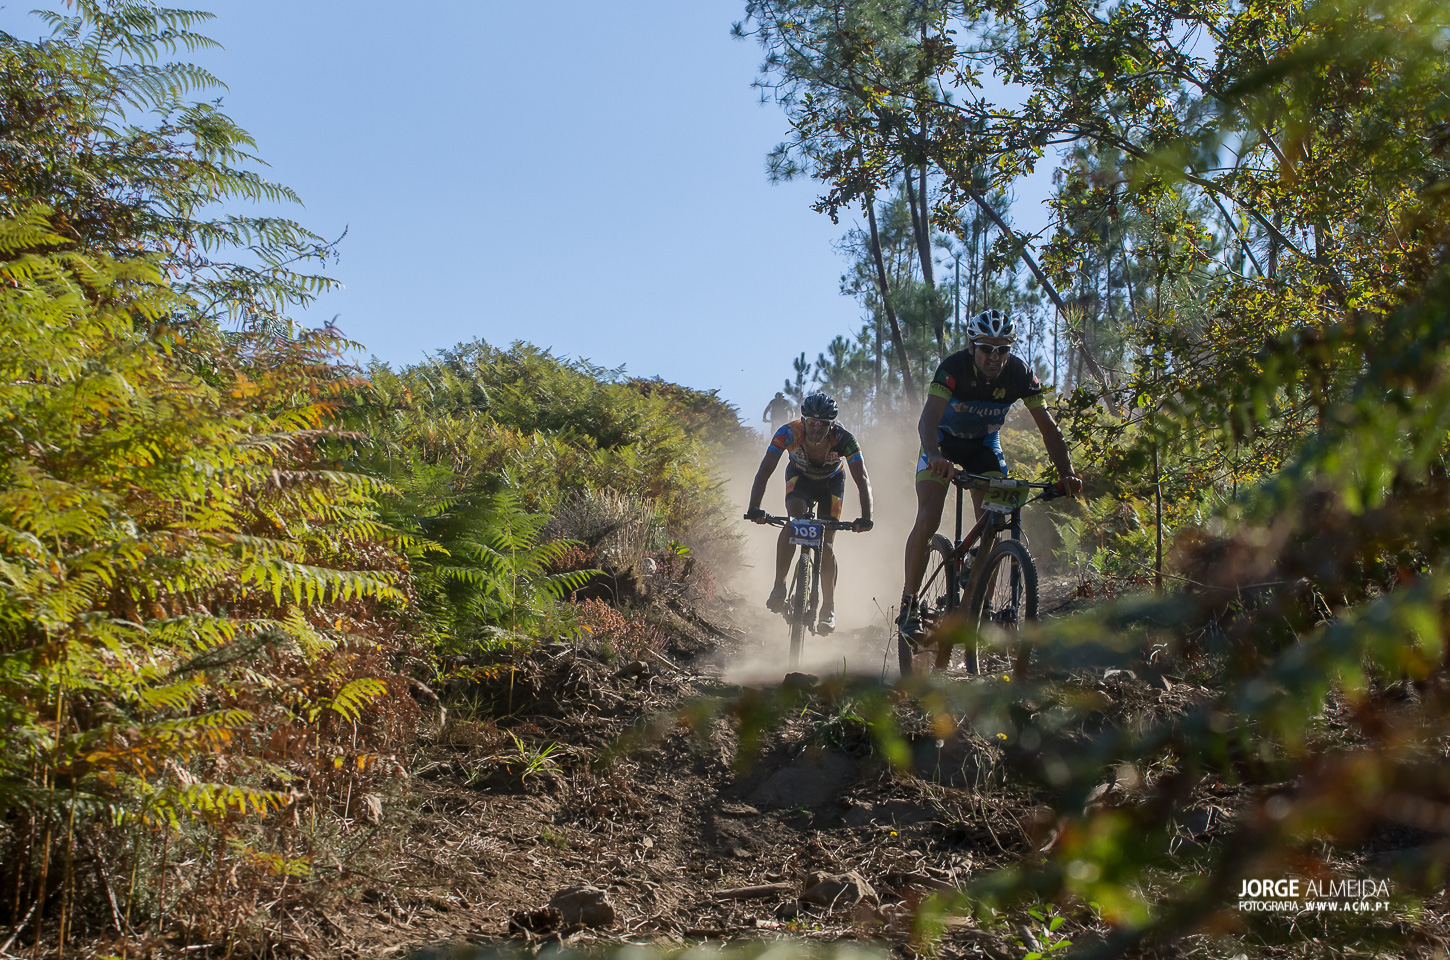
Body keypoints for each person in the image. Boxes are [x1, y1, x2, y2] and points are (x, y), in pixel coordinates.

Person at [897, 309, 1083, 639]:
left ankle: (980, 598)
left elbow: (1049, 430)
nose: (994, 357)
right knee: (928, 518)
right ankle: (909, 604)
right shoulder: (953, 369)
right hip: (942, 444)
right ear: (972, 347)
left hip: (983, 447)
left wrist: (1067, 472)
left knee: (994, 520)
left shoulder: (1020, 374)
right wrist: (935, 456)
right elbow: (928, 420)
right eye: (986, 348)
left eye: (1003, 349)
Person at [744, 392, 873, 634]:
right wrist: (754, 507)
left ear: (832, 424)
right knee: (794, 522)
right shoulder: (787, 432)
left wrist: (866, 517)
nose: (817, 428)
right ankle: (779, 585)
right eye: (812, 422)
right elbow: (765, 470)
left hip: (831, 484)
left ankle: (828, 607)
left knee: (828, 544)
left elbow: (862, 478)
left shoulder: (844, 439)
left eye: (823, 423)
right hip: (800, 479)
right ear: (803, 420)